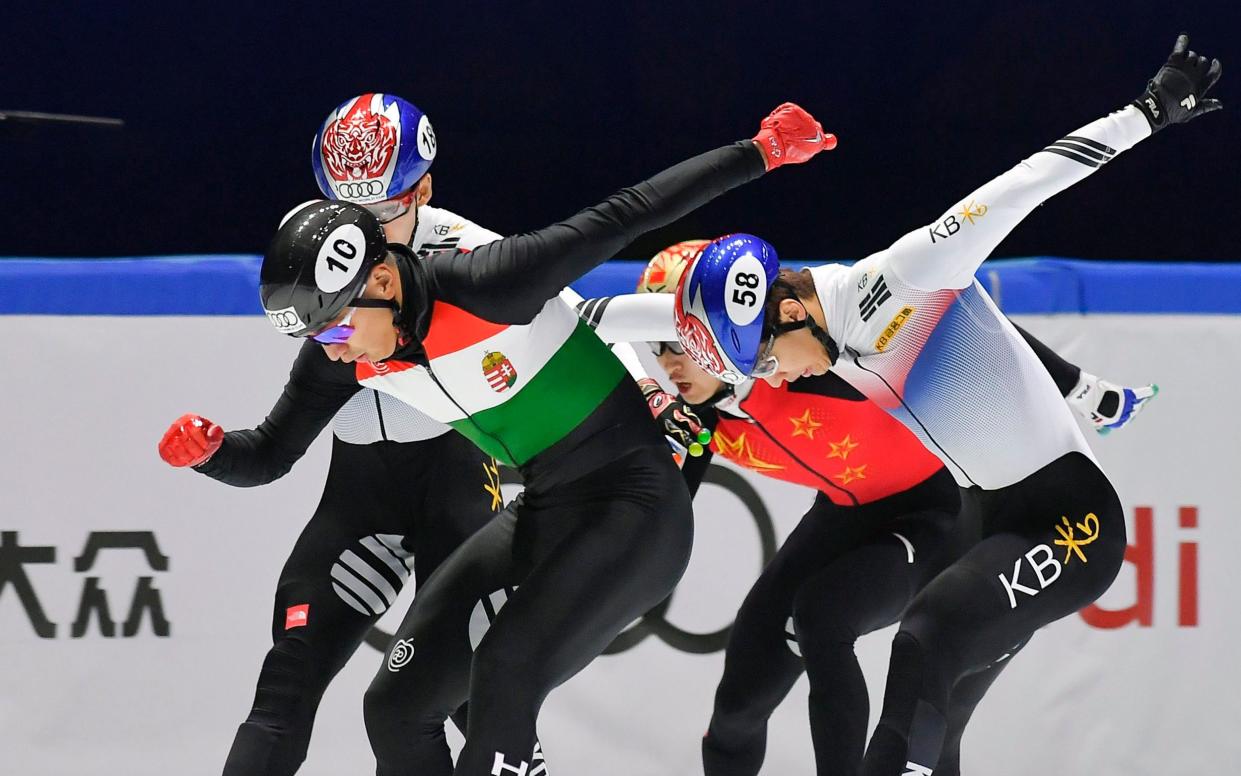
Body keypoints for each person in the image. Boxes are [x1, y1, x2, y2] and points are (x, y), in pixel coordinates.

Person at [669, 36, 1221, 774]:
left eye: (766, 360)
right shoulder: (825, 339)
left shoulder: (905, 277)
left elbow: (1026, 183)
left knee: (923, 640)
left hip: (1072, 524)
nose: (775, 379)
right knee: (941, 720)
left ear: (793, 314)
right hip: (986, 524)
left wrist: (1146, 112)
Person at [252, 102, 831, 775]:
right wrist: (213, 451)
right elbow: (270, 446)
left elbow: (625, 215)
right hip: (547, 504)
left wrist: (757, 150)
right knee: (395, 706)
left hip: (631, 507)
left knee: (503, 677)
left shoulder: (485, 276)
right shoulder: (354, 326)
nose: (337, 349)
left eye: (339, 329)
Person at [576, 239, 1154, 776]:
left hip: (939, 514)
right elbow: (658, 518)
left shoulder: (812, 360)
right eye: (658, 348)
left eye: (680, 344)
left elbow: (985, 334)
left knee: (823, 616)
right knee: (736, 708)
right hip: (848, 513)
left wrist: (1081, 387)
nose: (670, 364)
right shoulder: (694, 415)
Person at [158, 94, 510, 776]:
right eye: (349, 209)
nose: (364, 233)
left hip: (463, 508)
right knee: (285, 688)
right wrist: (210, 452)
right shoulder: (332, 268)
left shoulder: (473, 257)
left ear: (425, 190)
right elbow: (269, 451)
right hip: (361, 511)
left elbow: (566, 335)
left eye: (382, 212)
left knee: (474, 708)